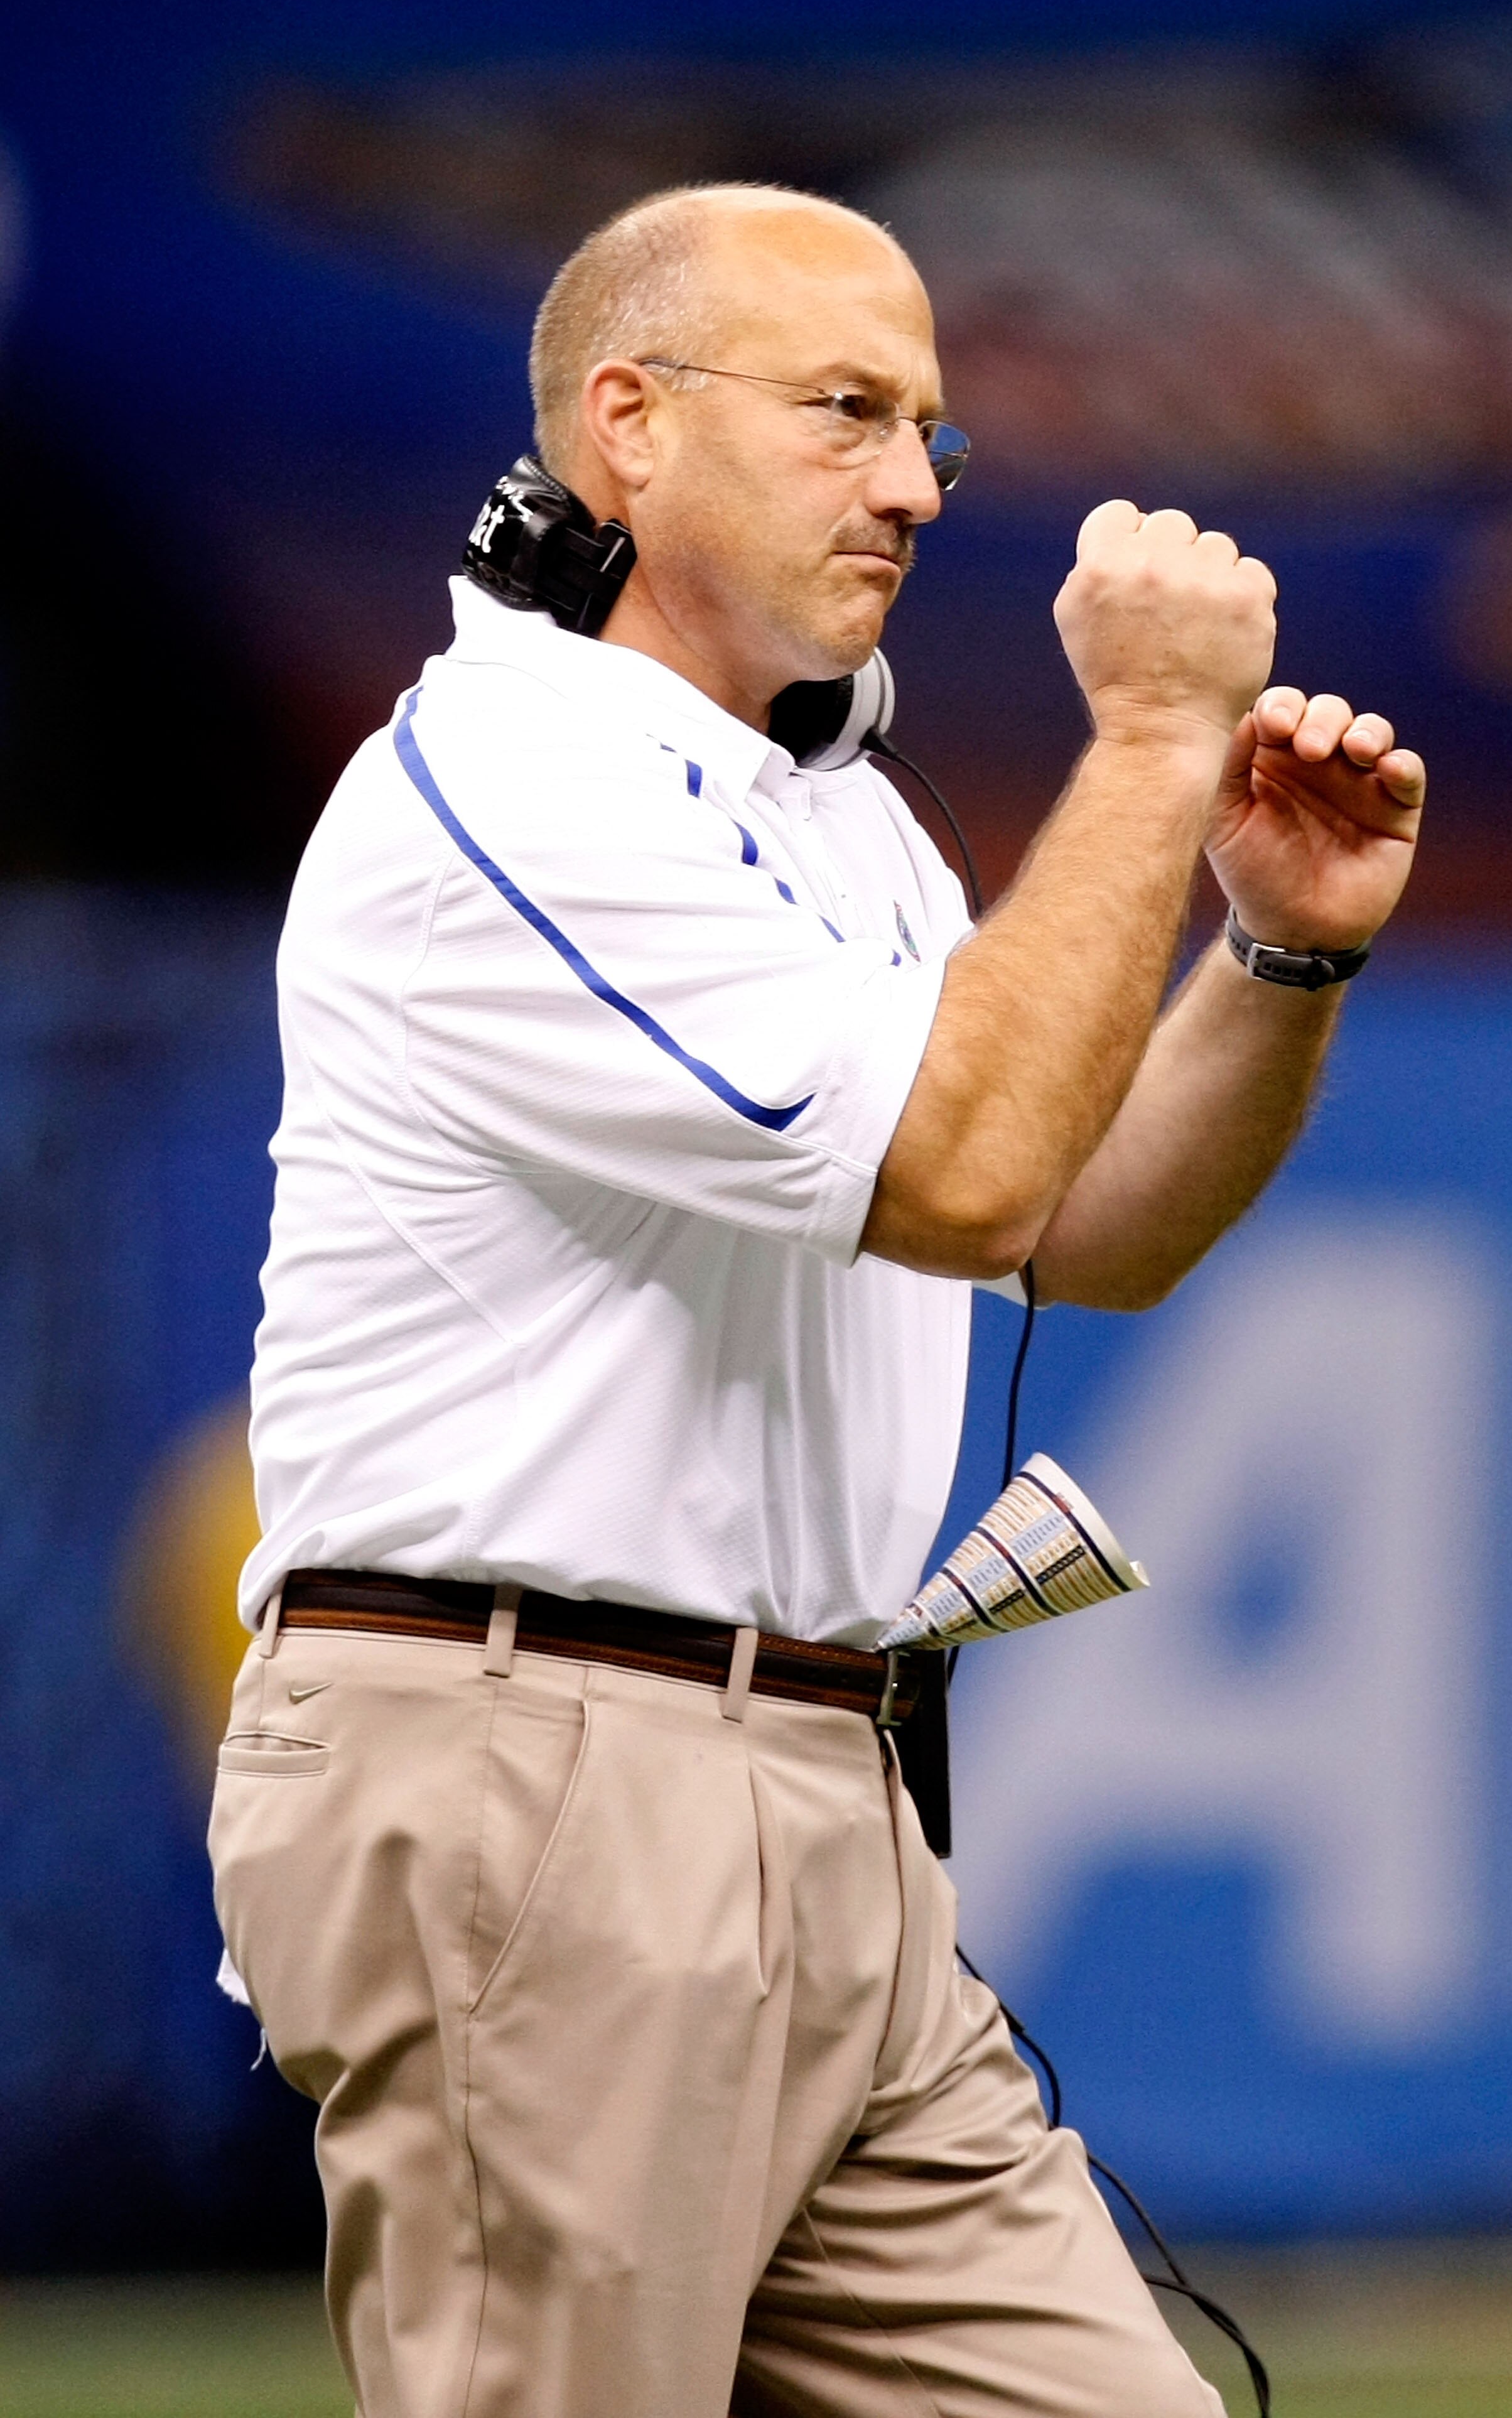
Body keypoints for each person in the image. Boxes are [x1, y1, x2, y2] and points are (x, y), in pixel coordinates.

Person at [209, 183, 1425, 2418]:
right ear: (629, 430)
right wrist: (1157, 744)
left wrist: (1279, 952)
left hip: (826, 1778)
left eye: (931, 436)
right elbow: (965, 1178)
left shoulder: (826, 798)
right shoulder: (507, 781)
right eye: (847, 411)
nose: (908, 485)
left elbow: (1091, 1231)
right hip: (535, 1767)